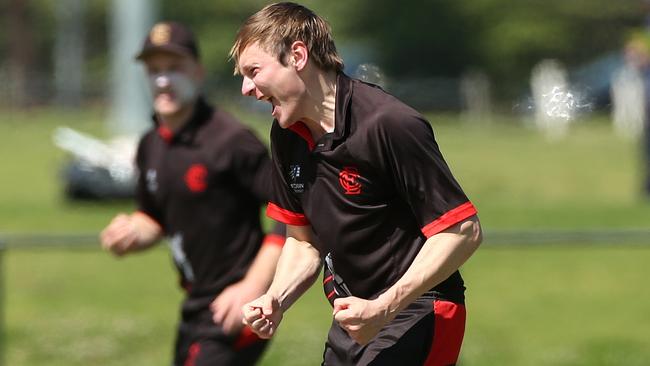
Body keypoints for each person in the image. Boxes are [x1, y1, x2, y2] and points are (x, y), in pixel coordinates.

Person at [231, 3, 483, 365]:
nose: (245, 88)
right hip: (354, 320)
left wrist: (384, 307)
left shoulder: (389, 124)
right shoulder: (286, 136)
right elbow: (303, 242)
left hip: (420, 310)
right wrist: (276, 297)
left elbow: (462, 230)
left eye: (254, 71)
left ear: (298, 56)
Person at [99, 21, 284, 366]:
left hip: (236, 305)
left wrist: (253, 288)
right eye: (154, 70)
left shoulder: (231, 140)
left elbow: (292, 216)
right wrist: (132, 232)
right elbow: (153, 216)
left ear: (198, 73)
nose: (163, 80)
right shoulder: (150, 144)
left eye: (174, 69)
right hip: (194, 305)